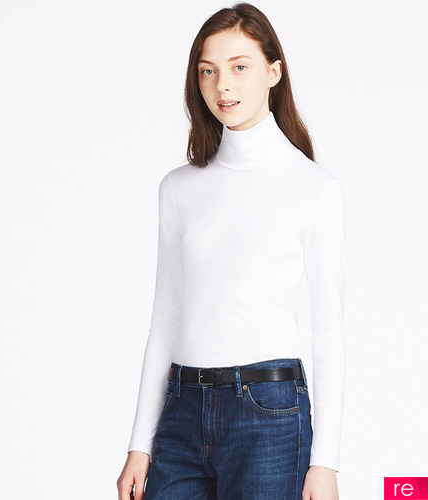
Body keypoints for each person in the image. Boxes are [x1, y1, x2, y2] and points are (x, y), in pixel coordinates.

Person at [117, 3, 346, 499]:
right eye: (208, 71)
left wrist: (325, 462)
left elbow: (328, 331)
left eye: (240, 67)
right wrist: (139, 444)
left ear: (273, 72)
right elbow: (165, 320)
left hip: (270, 416)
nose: (223, 85)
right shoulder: (178, 188)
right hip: (180, 409)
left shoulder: (313, 188)